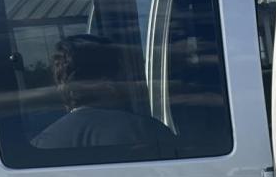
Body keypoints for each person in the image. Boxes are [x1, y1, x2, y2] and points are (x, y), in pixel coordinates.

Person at [30, 34, 178, 154]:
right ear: (108, 81)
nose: (129, 81)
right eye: (124, 74)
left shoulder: (39, 146)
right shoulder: (147, 132)